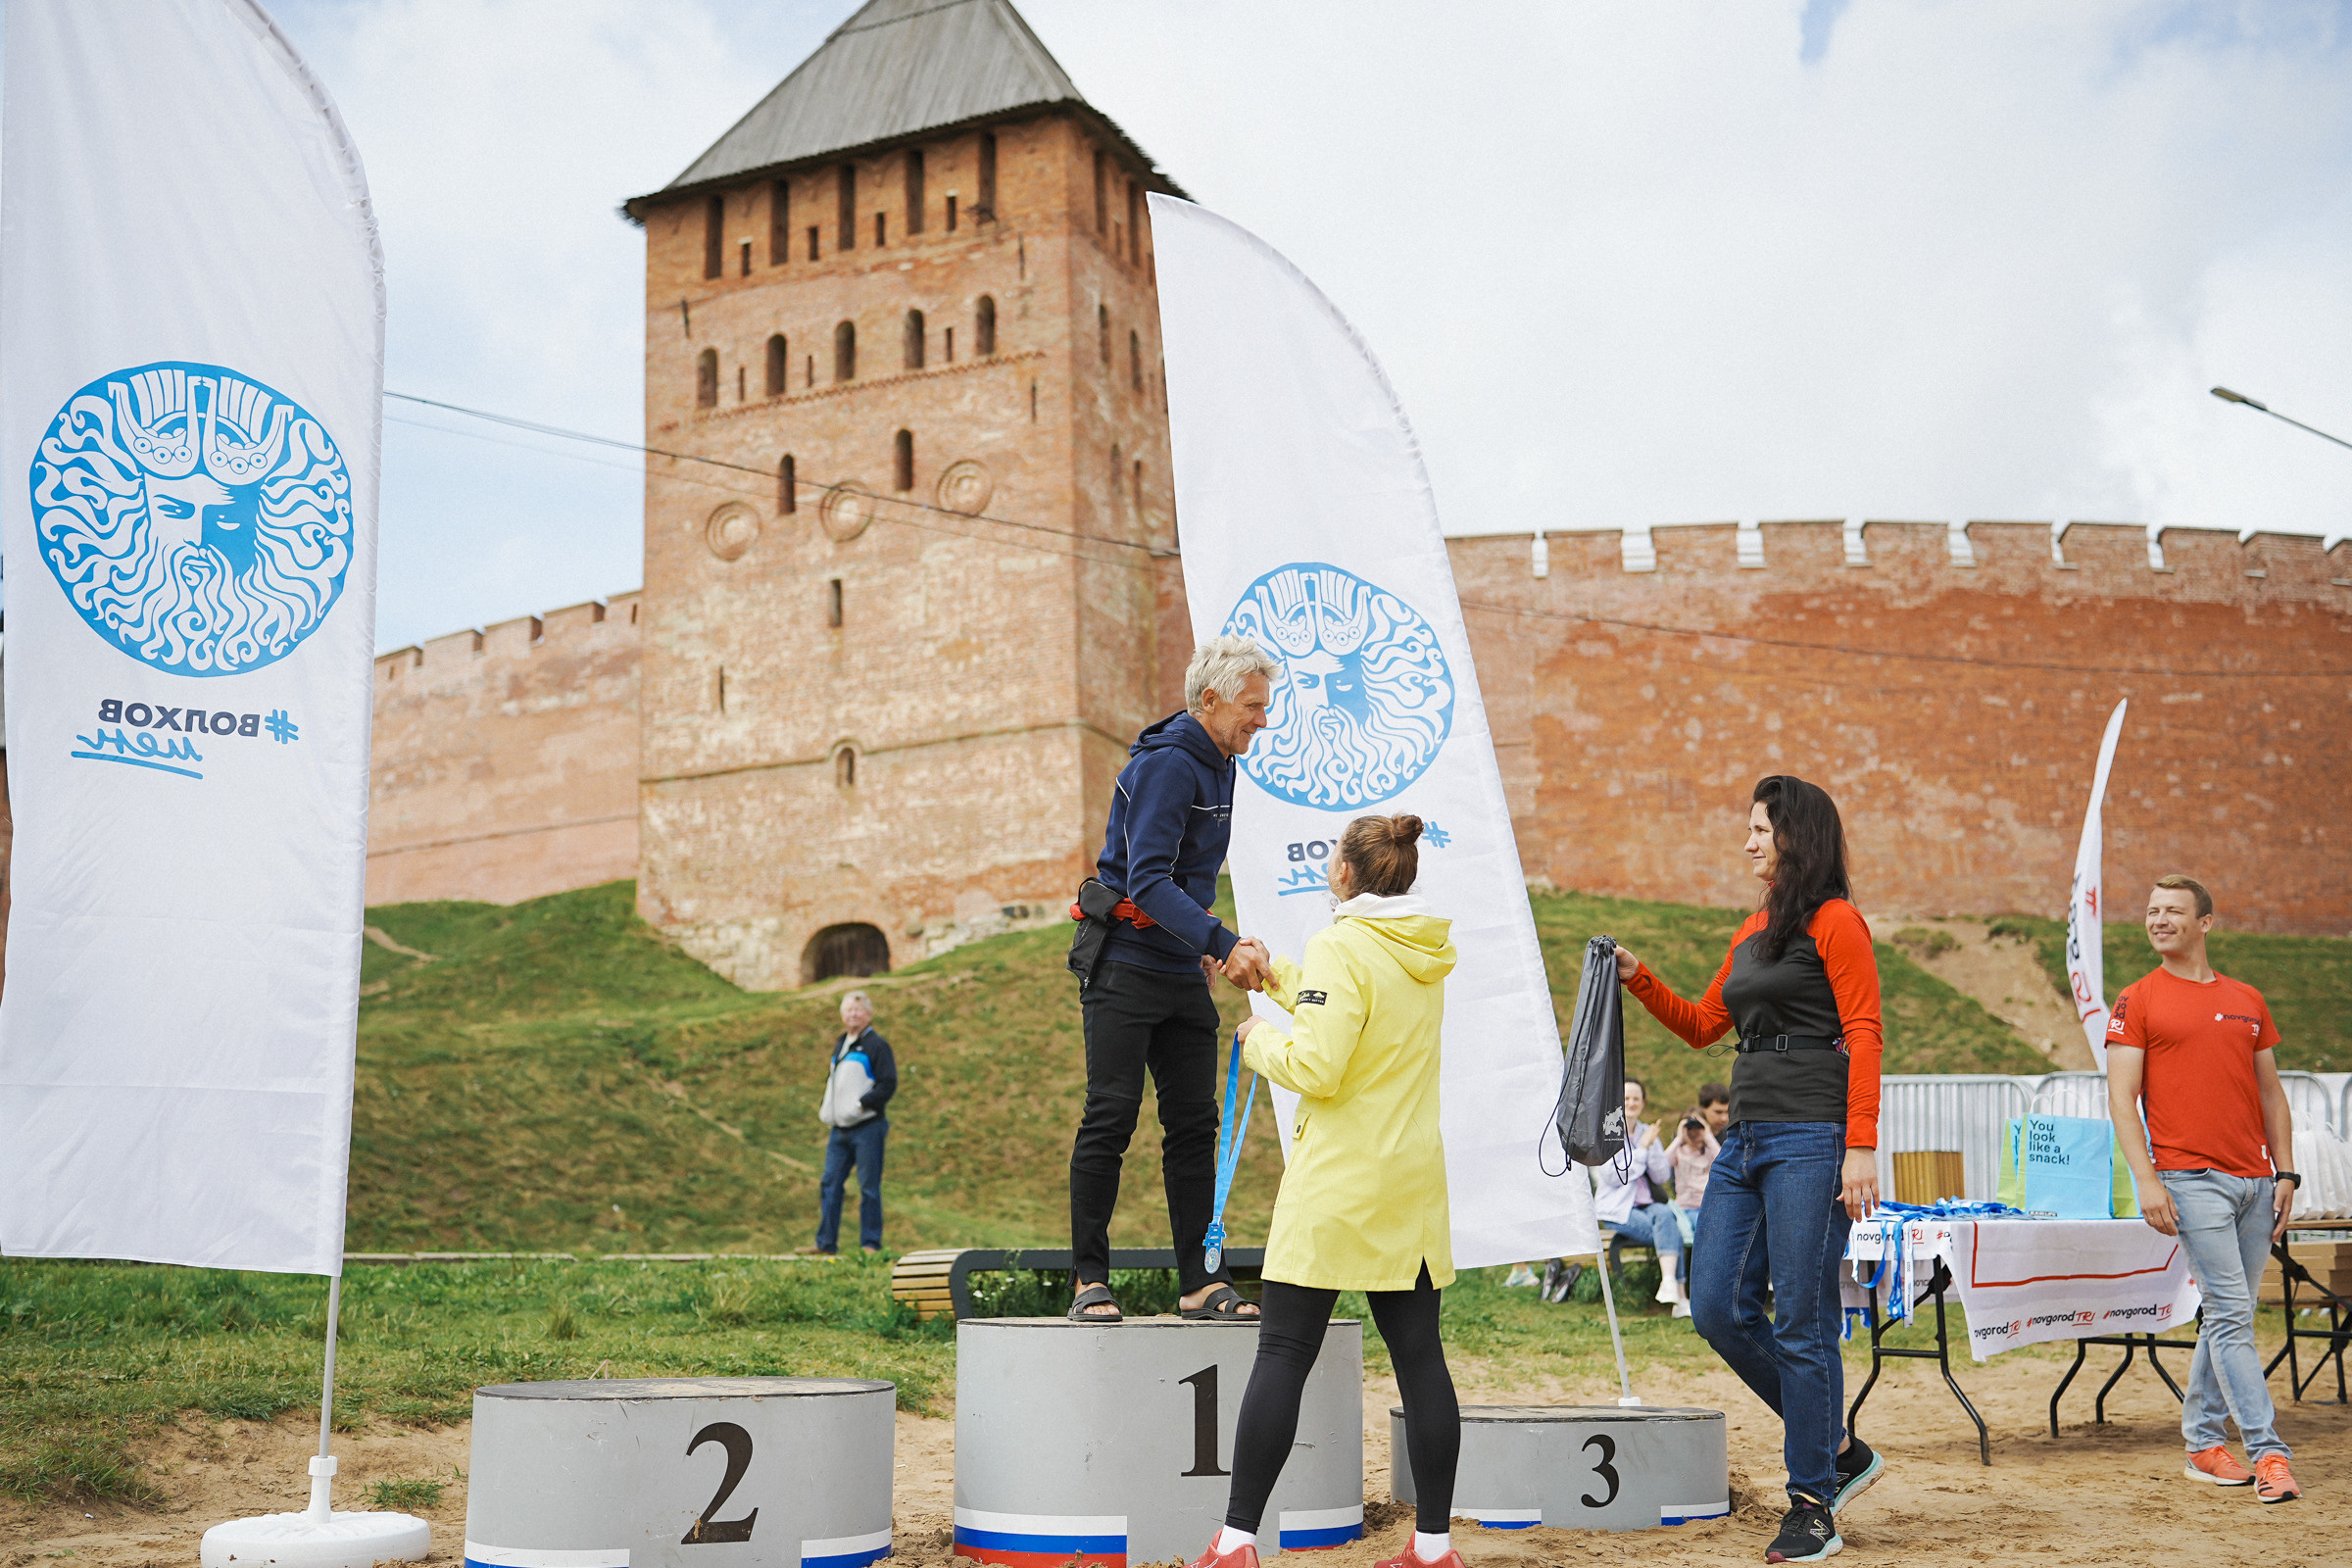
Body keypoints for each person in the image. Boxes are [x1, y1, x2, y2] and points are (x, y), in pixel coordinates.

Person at [1611, 775, 1886, 1565]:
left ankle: (1812, 1503)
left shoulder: (1838, 923)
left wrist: (1859, 1144)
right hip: (1750, 1140)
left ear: (1797, 836)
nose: (1748, 841)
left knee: (1802, 1318)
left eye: (1761, 829)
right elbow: (1704, 1027)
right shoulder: (1753, 929)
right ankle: (1834, 1447)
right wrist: (1638, 976)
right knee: (1716, 1306)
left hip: (1814, 1136)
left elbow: (1863, 1029)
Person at [1187, 815, 1464, 1568]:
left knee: (1281, 1353)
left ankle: (1236, 1541)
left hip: (1339, 1184)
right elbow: (1350, 1014)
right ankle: (1434, 1549)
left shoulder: (1343, 944)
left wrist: (1256, 1036)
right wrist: (1276, 980)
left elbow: (1319, 1065)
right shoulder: (1423, 951)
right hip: (1409, 1184)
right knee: (1421, 1360)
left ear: (1344, 871)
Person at [1066, 636, 1278, 1323]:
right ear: (1209, 701)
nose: (1262, 721)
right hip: (1124, 965)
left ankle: (1199, 1282)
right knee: (1111, 1118)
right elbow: (1147, 879)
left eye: (1265, 707)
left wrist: (1203, 947)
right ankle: (1088, 1280)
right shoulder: (1167, 765)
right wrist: (1223, 941)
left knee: (1194, 1126)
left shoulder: (1223, 762)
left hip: (1179, 969)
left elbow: (1187, 878)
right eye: (1252, 707)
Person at [2106, 874, 2303, 1504]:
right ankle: (2268, 1453)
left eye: (2172, 911)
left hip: (2253, 1181)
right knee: (2230, 1313)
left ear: (2206, 923)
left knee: (2229, 1317)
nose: (2157, 920)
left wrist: (2286, 1171)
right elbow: (2121, 1098)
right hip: (2190, 1182)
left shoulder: (2248, 998)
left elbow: (2271, 1092)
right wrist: (2148, 1180)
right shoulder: (2137, 999)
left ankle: (2200, 1444)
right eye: (2151, 910)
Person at [1592, 1078, 1689, 1315]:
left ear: (1643, 1103)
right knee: (1670, 1230)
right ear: (1616, 1102)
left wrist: (1651, 1148)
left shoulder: (1648, 1131)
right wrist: (1643, 1149)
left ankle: (1669, 1285)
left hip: (1647, 1206)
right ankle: (1680, 1296)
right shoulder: (1609, 1132)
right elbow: (1614, 1176)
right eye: (1625, 1098)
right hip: (1617, 1209)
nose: (1631, 1103)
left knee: (1665, 1214)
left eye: (1636, 1098)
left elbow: (1661, 1175)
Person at [813, 991, 896, 1254]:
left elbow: (887, 1084)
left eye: (858, 1011)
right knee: (830, 1183)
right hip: (840, 1130)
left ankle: (870, 1244)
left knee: (868, 1186)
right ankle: (826, 1243)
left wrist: (861, 1105)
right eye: (849, 1010)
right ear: (842, 1014)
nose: (853, 1015)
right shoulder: (842, 1043)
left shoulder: (877, 1046)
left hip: (867, 1127)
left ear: (869, 1015)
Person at [1671, 1102, 1721, 1256]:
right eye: (1689, 1127)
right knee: (1705, 1226)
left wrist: (1708, 1135)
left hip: (1708, 1206)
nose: (1693, 1131)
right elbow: (1661, 1166)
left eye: (1698, 1126)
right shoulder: (1679, 1151)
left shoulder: (1709, 1151)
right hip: (1686, 1207)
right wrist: (1679, 1138)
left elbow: (1723, 1161)